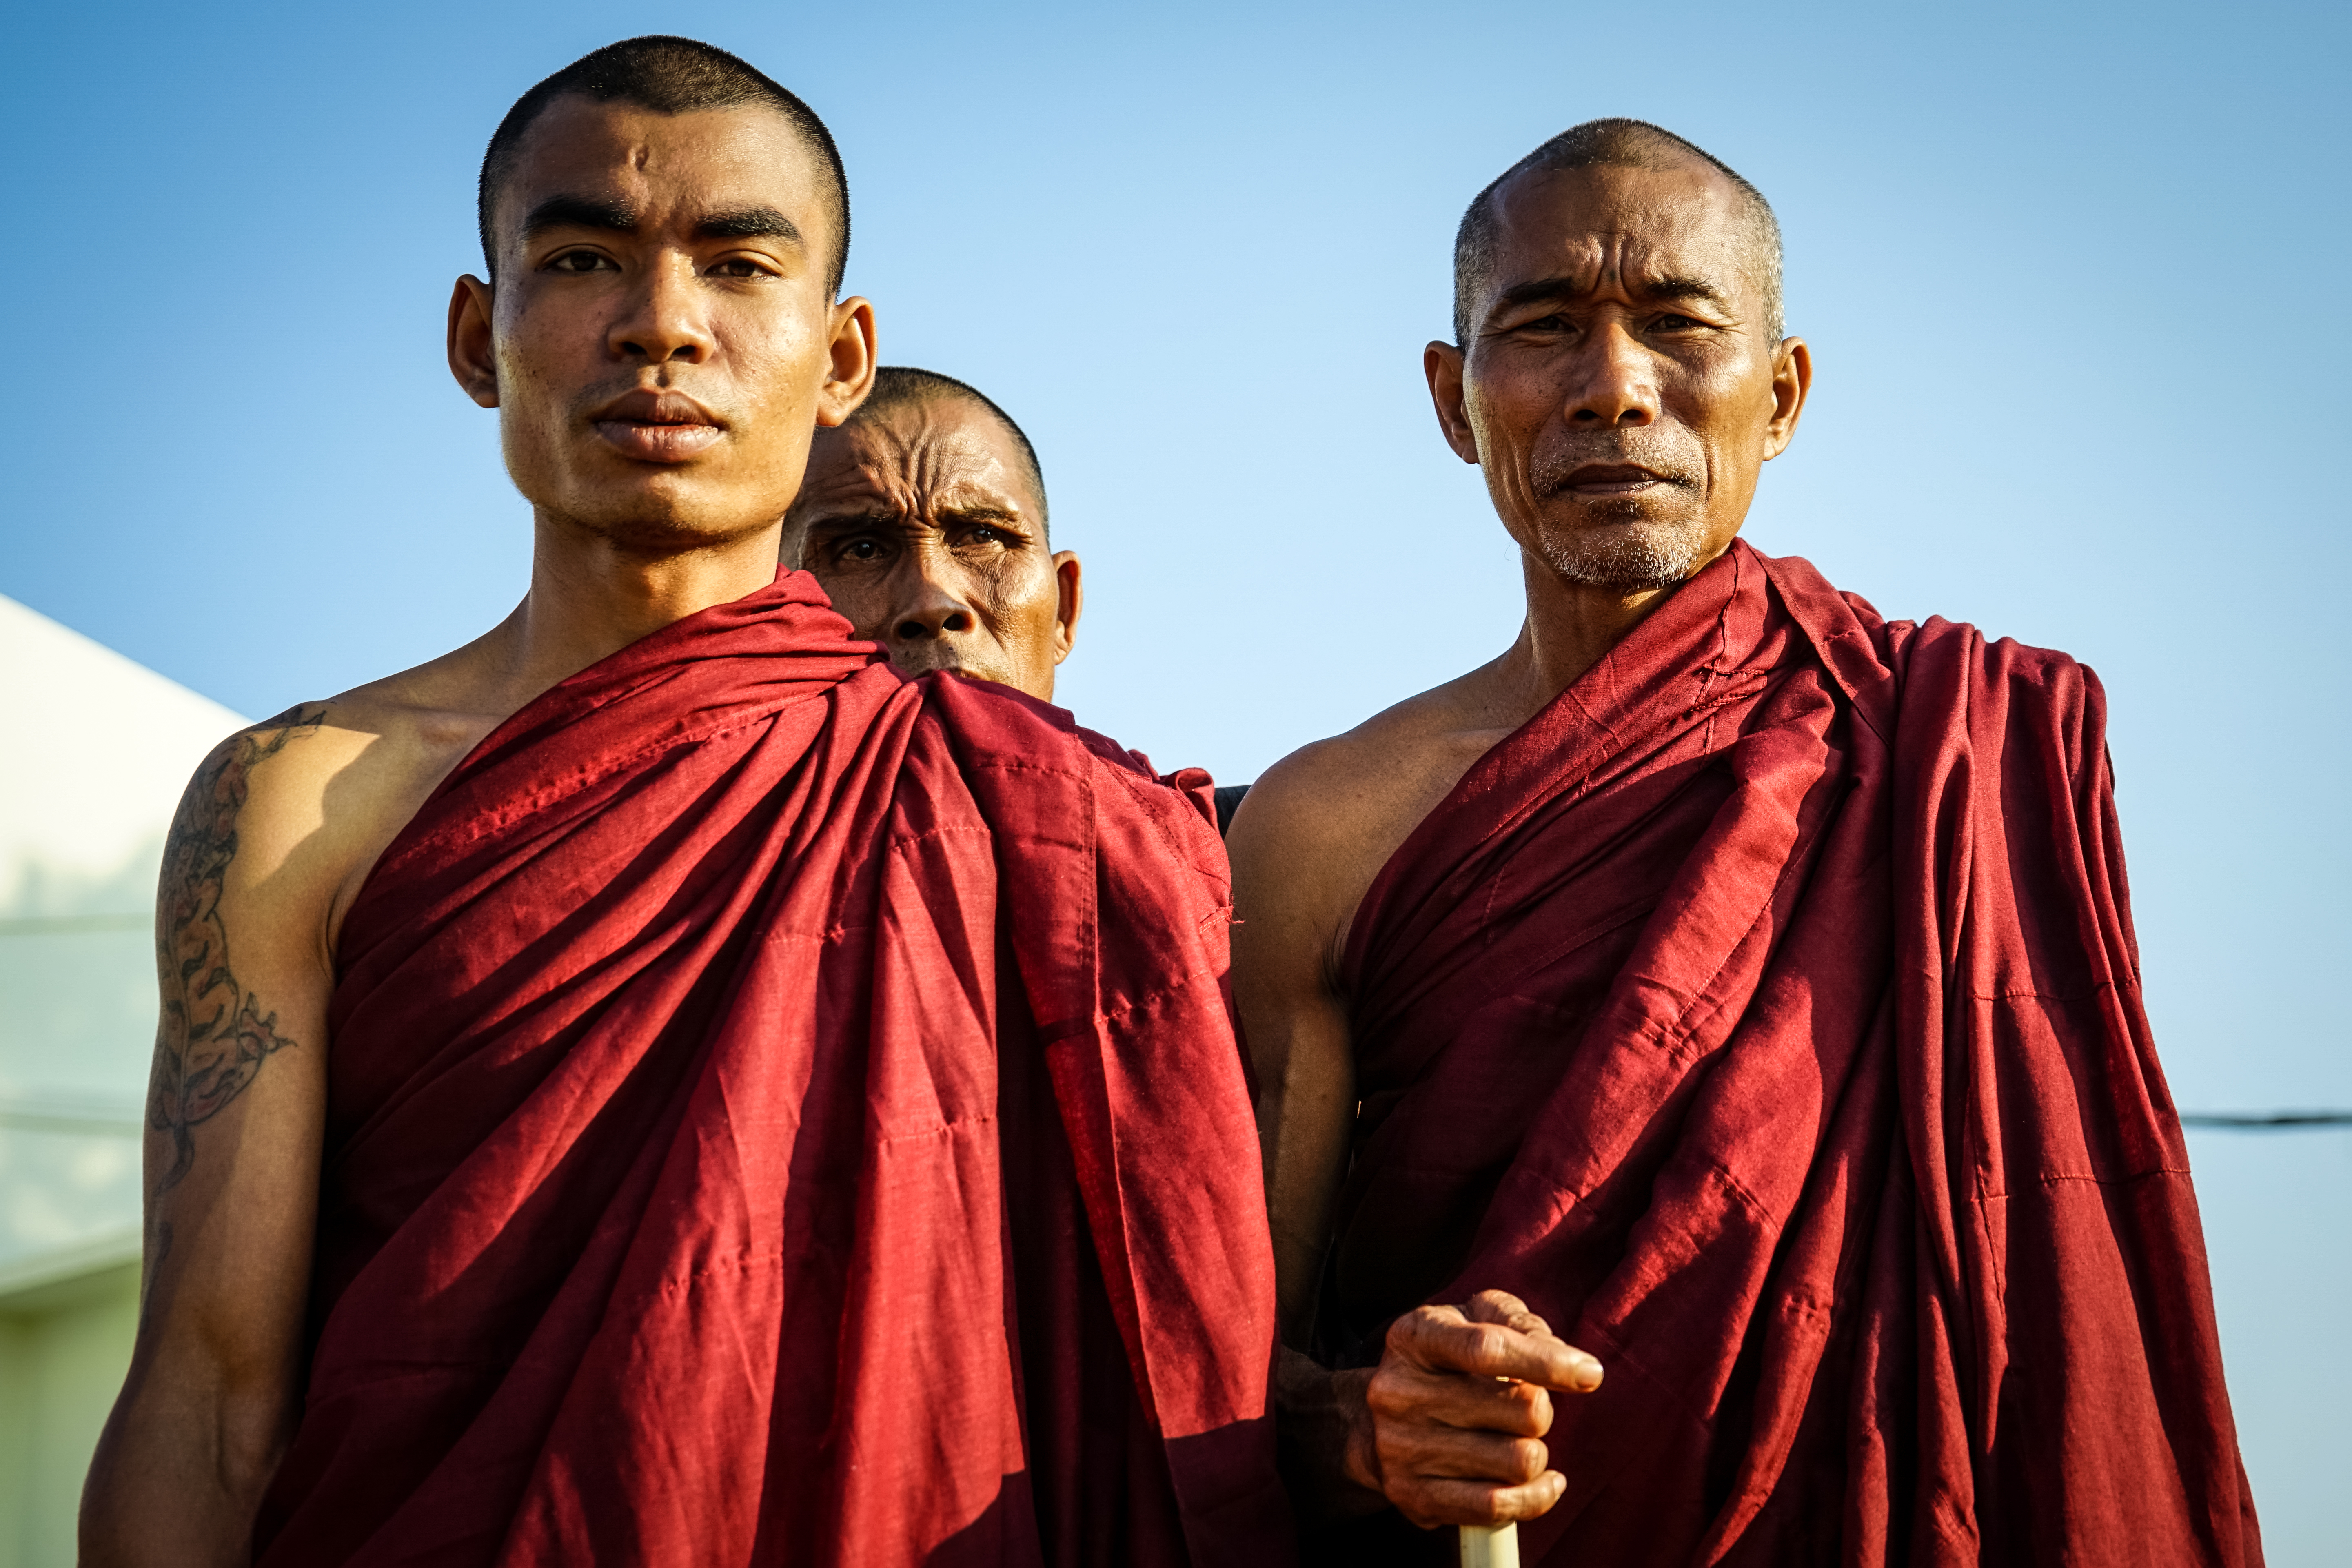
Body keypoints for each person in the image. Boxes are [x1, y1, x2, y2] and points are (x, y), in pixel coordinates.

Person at [82, 36, 1288, 1568]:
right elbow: (204, 1399)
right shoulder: (298, 802)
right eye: (583, 257)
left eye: (736, 265)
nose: (662, 328)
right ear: (477, 335)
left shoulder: (1040, 824)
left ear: (840, 354)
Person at [1230, 118, 2261, 1565]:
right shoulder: (1322, 827)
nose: (1613, 390)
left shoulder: (1952, 748)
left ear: (1778, 395)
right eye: (1542, 330)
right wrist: (1372, 1426)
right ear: (1453, 399)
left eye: (1676, 326)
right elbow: (1229, 1384)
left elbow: (2060, 1305)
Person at [786, 366, 1254, 833]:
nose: (932, 604)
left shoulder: (1242, 863)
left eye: (983, 536)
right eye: (862, 550)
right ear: (766, 611)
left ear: (1063, 611)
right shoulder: (725, 865)